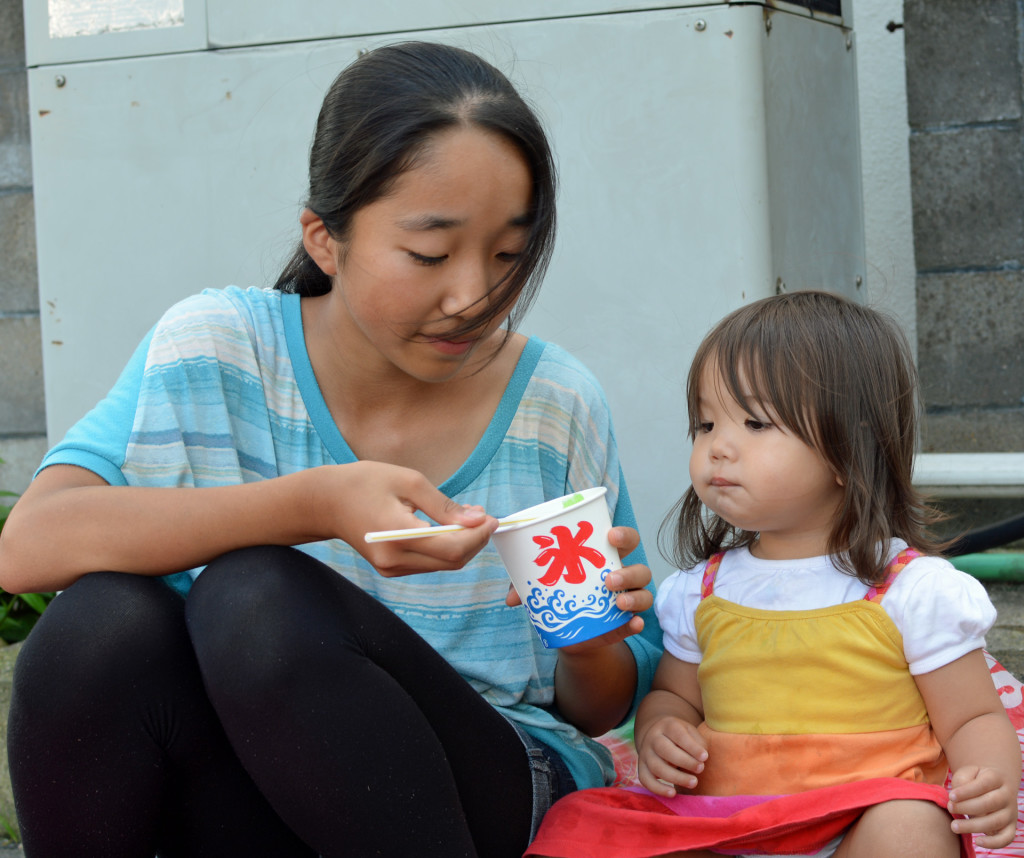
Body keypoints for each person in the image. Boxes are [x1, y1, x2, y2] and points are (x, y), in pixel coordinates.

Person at [0, 41, 662, 858]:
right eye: (429, 254)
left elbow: (595, 709)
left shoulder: (554, 404)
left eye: (507, 255)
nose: (474, 296)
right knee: (100, 625)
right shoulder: (217, 347)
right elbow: (28, 549)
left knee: (254, 600)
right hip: (252, 785)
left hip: (487, 779)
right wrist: (314, 505)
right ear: (324, 238)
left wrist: (592, 640)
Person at [525, 290, 1021, 858]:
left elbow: (974, 718)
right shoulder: (700, 590)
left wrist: (990, 780)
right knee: (579, 823)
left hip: (858, 821)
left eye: (756, 422)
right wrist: (662, 733)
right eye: (706, 424)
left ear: (849, 449)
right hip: (729, 823)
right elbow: (673, 698)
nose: (718, 448)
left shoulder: (913, 588)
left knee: (910, 825)